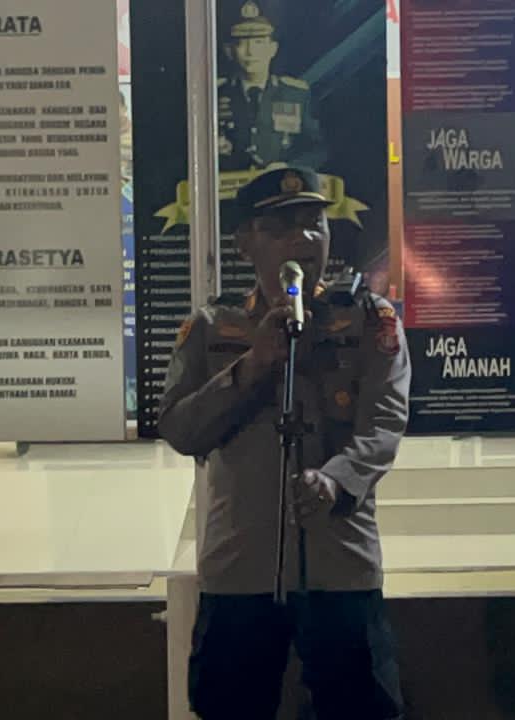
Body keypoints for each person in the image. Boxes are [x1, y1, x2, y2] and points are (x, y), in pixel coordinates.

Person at [158, 166, 409, 720]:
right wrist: (252, 367)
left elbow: (384, 424)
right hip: (240, 569)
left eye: (315, 223)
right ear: (244, 243)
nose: (304, 239)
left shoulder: (369, 321)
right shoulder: (212, 327)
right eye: (281, 228)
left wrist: (335, 480)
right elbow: (179, 428)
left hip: (339, 565)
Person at [217, 1, 325, 172]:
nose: (250, 52)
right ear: (229, 51)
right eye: (242, 43)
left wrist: (289, 168)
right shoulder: (215, 94)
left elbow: (318, 149)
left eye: (259, 42)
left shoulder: (295, 94)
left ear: (273, 49)